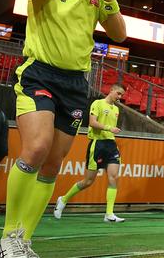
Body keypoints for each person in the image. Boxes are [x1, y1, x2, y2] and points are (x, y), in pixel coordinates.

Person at [0, 0, 126, 258]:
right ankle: (7, 236)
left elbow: (119, 34)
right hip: (39, 74)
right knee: (36, 148)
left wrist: (110, 2)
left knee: (53, 164)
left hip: (75, 84)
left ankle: (24, 241)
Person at [53, 84, 126, 222]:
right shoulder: (97, 103)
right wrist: (109, 128)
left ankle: (109, 214)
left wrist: (111, 131)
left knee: (114, 177)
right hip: (97, 144)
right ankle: (63, 199)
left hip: (111, 144)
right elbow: (92, 123)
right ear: (111, 90)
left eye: (121, 95)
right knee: (88, 181)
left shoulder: (116, 109)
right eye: (118, 93)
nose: (120, 97)